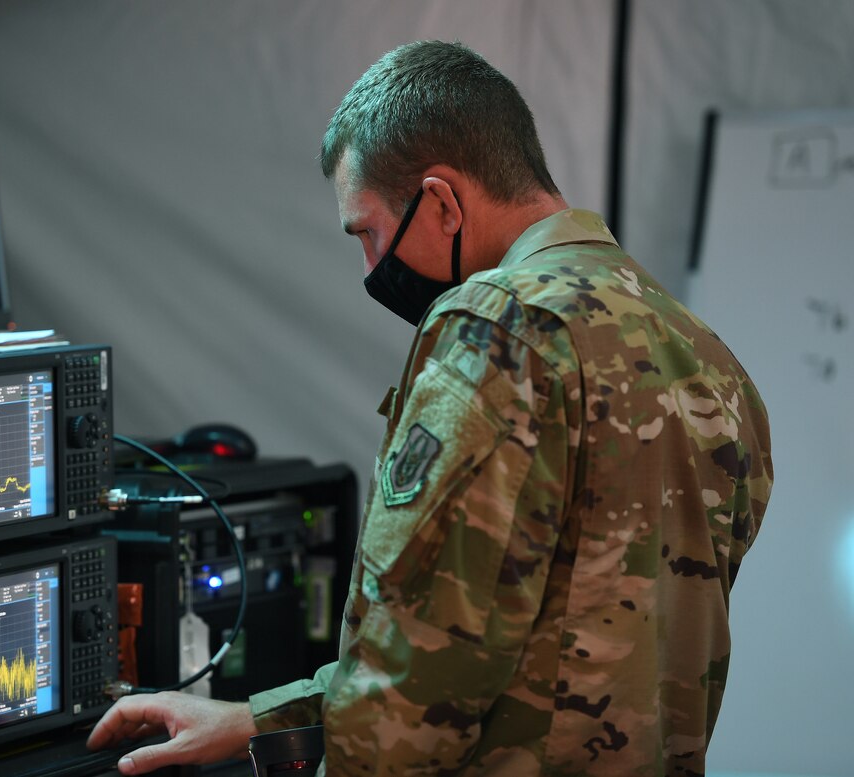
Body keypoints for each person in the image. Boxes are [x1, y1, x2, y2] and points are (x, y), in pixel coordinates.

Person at [87, 40, 773, 776]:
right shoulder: (706, 355)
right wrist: (257, 718)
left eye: (370, 232)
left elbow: (414, 683)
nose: (370, 267)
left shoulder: (499, 326)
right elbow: (543, 646)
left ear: (442, 201)